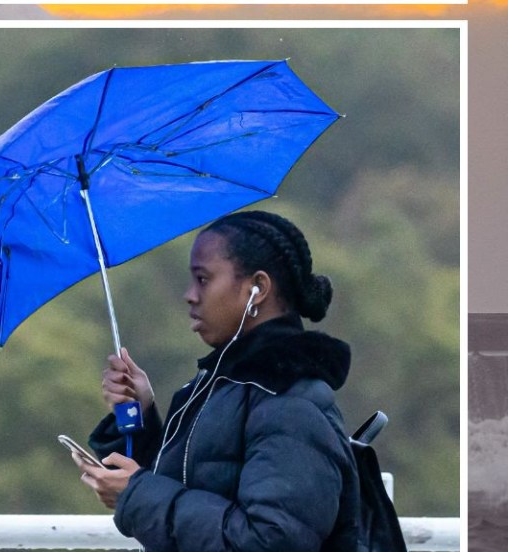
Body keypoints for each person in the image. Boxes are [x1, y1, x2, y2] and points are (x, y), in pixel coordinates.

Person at [75, 210, 360, 552]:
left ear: (258, 288)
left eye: (204, 279)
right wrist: (136, 413)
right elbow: (184, 486)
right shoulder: (218, 387)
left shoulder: (290, 403)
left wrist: (137, 494)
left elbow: (270, 541)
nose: (190, 295)